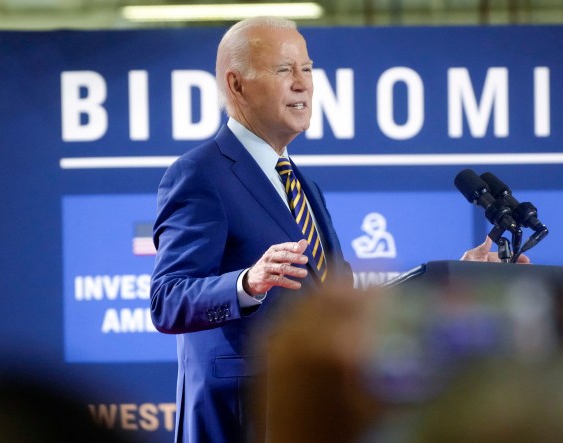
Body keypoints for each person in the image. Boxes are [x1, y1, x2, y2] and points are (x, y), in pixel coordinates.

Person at [150, 16, 520, 443]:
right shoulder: (200, 173)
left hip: (317, 412)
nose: (302, 84)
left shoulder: (303, 185)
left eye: (307, 69)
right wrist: (247, 283)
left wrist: (450, 278)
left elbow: (335, 302)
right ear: (237, 84)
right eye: (284, 69)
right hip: (244, 416)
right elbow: (167, 300)